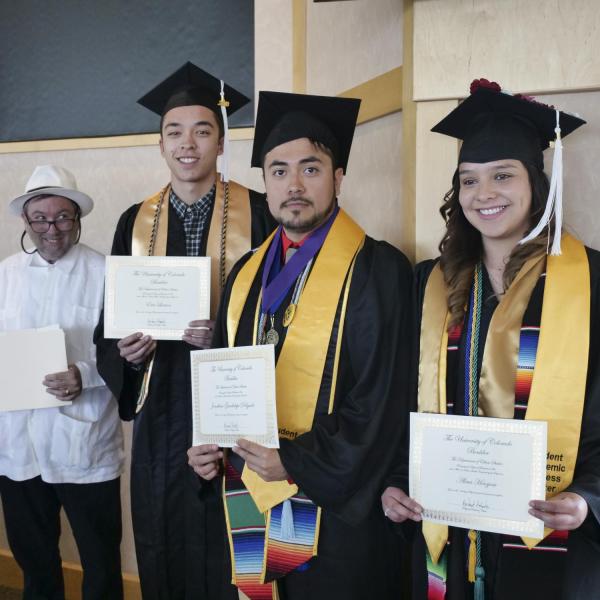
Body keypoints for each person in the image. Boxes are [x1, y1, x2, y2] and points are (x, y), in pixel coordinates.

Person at [188, 91, 413, 600]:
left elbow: (381, 400)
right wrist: (210, 443)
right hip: (249, 488)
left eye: (311, 169)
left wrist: (296, 462)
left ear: (338, 178)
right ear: (264, 185)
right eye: (278, 170)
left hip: (335, 508)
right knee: (261, 590)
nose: (294, 185)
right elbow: (223, 377)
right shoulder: (246, 271)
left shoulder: (379, 270)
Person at [382, 79, 600, 599]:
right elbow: (397, 402)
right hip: (448, 529)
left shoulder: (590, 282)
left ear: (537, 183)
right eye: (469, 180)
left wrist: (589, 498)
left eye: (503, 175)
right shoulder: (431, 283)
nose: (484, 195)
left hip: (556, 532)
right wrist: (394, 482)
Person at [94, 62, 276, 599]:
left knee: (237, 539)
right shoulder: (134, 221)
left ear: (221, 141)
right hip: (162, 406)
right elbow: (111, 320)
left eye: (202, 130)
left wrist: (219, 337)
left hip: (234, 401)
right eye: (174, 132)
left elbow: (285, 314)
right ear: (160, 144)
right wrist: (126, 353)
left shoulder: (261, 213)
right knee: (163, 535)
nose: (187, 144)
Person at [0, 165, 124, 600]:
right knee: (34, 564)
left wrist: (83, 376)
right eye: (40, 218)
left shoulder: (107, 273)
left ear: (77, 218)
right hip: (18, 447)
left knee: (101, 564)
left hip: (84, 444)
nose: (51, 229)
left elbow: (124, 355)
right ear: (26, 221)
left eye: (62, 217)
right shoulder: (5, 275)